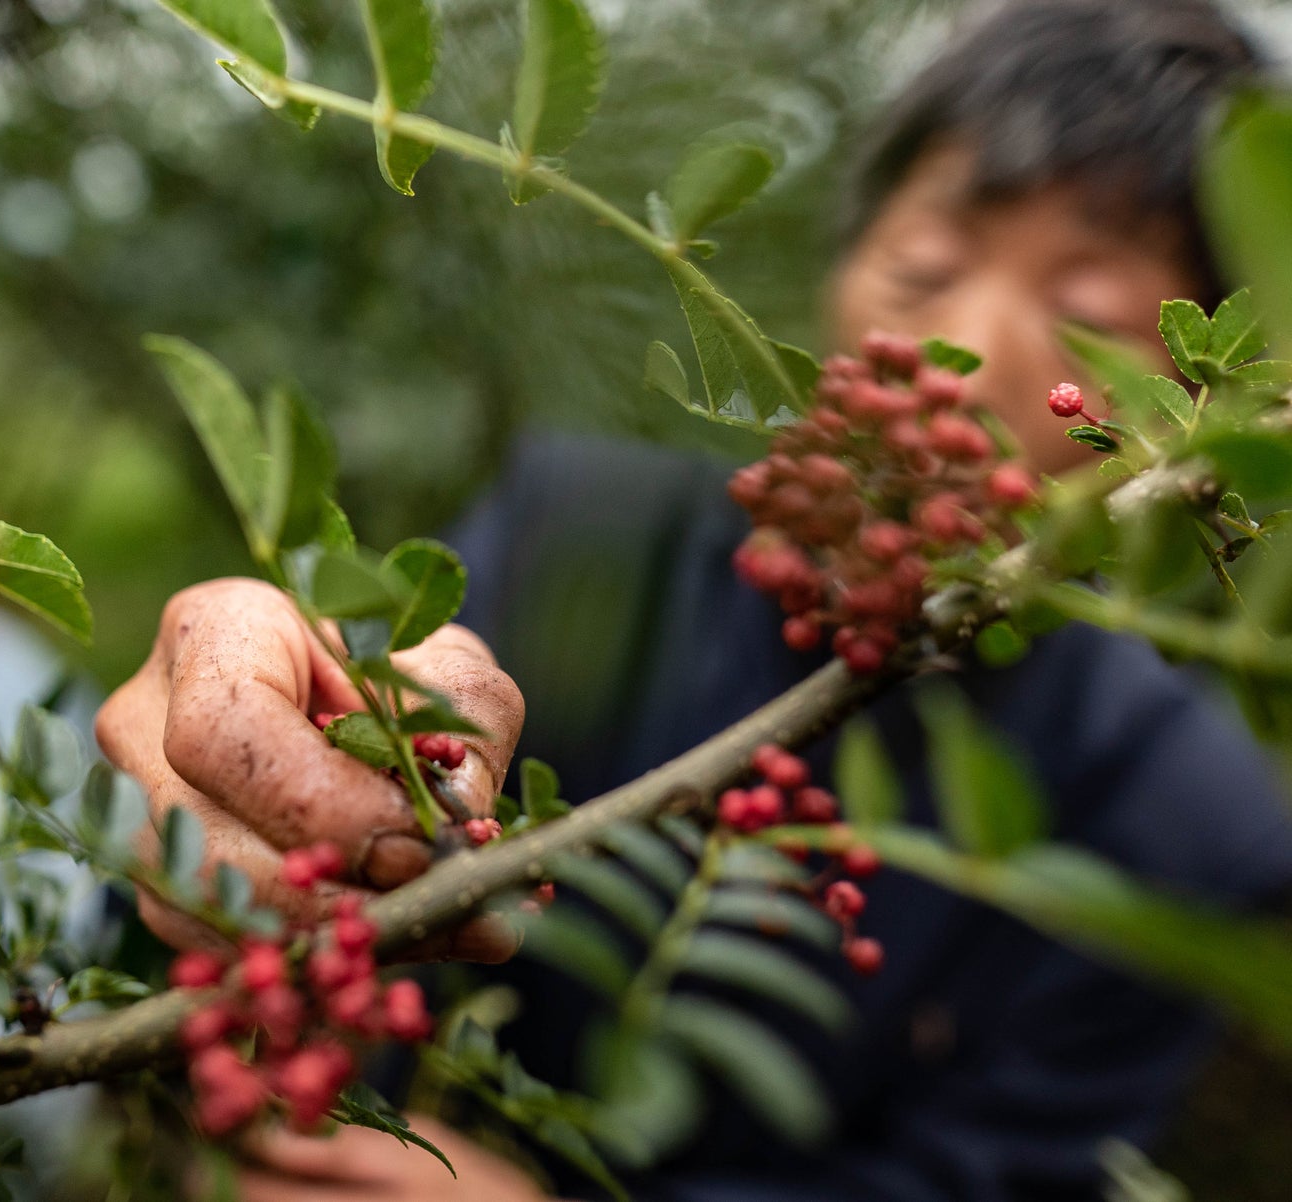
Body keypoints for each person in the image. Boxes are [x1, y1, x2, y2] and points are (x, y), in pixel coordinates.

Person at [94, 1, 1292, 1199]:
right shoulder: (585, 535)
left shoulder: (1187, 821)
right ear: (843, 266)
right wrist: (228, 743)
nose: (960, 348)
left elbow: (983, 1178)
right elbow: (350, 759)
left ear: (1196, 415)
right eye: (924, 266)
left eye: (1091, 313)